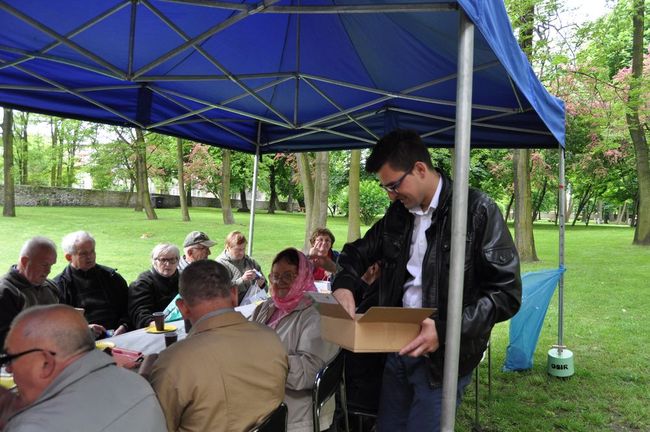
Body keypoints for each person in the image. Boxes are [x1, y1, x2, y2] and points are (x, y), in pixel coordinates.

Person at [331, 129, 522, 431]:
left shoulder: (477, 211)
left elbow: (506, 294)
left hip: (443, 360)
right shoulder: (399, 213)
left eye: (394, 185)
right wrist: (344, 284)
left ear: (420, 168)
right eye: (385, 188)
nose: (391, 195)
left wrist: (446, 330)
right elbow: (356, 253)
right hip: (396, 348)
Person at [143, 260, 288, 432]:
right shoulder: (272, 339)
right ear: (234, 295)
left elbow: (153, 424)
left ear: (182, 307)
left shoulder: (174, 362)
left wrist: (144, 379)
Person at [0, 304, 166, 431]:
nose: (8, 369)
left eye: (10, 359)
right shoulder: (135, 382)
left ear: (45, 362)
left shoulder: (34, 426)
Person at [252, 248, 339, 432]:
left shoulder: (318, 312)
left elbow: (309, 373)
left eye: (288, 276)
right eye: (275, 276)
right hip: (260, 396)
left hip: (293, 412)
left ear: (303, 276)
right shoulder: (267, 307)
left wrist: (263, 360)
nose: (279, 282)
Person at [53, 231, 130, 338]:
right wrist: (84, 329)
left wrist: (125, 325)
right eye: (83, 254)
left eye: (92, 251)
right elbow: (58, 324)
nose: (90, 257)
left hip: (119, 336)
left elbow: (129, 307)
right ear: (69, 257)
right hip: (83, 340)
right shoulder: (60, 286)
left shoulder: (112, 277)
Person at [0, 237, 59, 349]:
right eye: (44, 265)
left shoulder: (51, 287)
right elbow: (6, 343)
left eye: (51, 265)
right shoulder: (6, 292)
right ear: (25, 262)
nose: (48, 271)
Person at [128, 243, 180, 329]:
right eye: (163, 260)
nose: (168, 264)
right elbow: (140, 313)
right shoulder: (142, 283)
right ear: (153, 261)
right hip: (155, 329)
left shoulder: (184, 280)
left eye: (172, 260)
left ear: (178, 261)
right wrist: (158, 325)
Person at [216, 231, 267, 304]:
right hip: (230, 309)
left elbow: (266, 289)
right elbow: (221, 293)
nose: (242, 253)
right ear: (228, 247)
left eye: (244, 249)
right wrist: (242, 280)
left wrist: (261, 285)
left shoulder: (250, 261)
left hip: (252, 306)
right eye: (238, 249)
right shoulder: (219, 265)